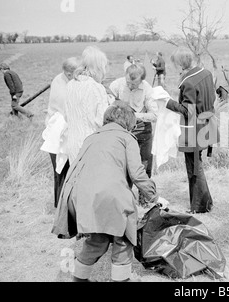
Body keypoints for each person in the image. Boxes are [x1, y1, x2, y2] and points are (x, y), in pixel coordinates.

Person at [52, 100, 166, 282]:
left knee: (97, 241)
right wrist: (155, 196)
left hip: (81, 196)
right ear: (129, 122)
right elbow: (137, 173)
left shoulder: (91, 137)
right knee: (123, 239)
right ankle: (121, 280)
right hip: (111, 195)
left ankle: (79, 279)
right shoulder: (127, 138)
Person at [164, 47, 218, 214]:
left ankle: (200, 206)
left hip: (194, 130)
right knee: (198, 165)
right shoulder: (207, 73)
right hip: (207, 124)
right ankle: (206, 201)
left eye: (175, 65)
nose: (174, 68)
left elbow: (188, 111)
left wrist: (168, 102)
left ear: (181, 65)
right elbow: (213, 97)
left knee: (194, 167)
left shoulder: (188, 82)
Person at [62, 46, 111, 166]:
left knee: (78, 181)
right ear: (99, 67)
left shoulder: (70, 84)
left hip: (72, 143)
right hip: (91, 144)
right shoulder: (95, 87)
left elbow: (67, 115)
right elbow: (102, 120)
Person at [109, 63, 158, 178]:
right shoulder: (116, 85)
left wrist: (134, 115)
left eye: (134, 84)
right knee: (122, 165)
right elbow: (107, 105)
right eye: (128, 83)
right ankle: (125, 193)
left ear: (141, 81)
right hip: (122, 131)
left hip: (142, 131)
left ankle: (144, 194)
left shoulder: (147, 89)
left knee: (144, 165)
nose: (130, 86)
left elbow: (155, 115)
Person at [45, 57, 80, 207]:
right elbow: (69, 110)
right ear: (68, 73)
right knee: (62, 171)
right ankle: (61, 207)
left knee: (65, 171)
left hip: (62, 131)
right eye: (77, 72)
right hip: (58, 133)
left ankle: (64, 206)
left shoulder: (63, 79)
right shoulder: (61, 86)